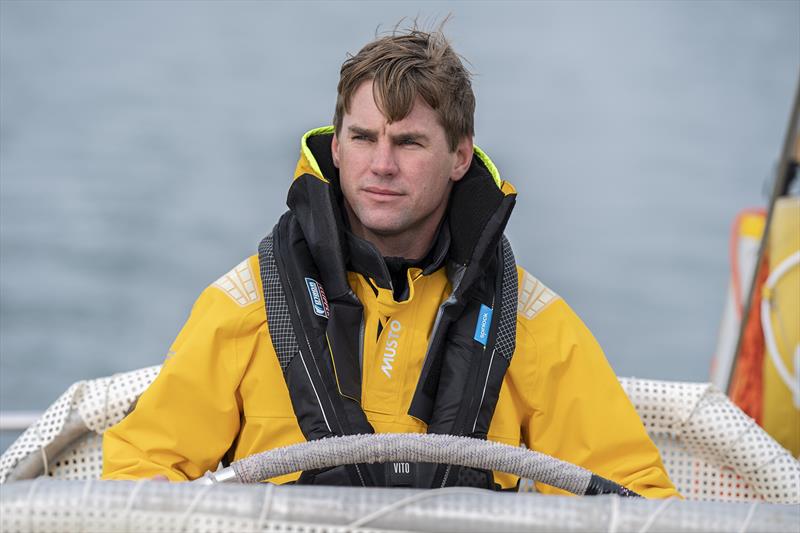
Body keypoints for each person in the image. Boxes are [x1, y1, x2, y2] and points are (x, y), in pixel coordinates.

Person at [102, 25, 678, 498]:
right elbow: (135, 476)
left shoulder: (530, 325)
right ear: (335, 147)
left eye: (408, 142)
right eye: (362, 137)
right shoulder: (245, 308)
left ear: (459, 155)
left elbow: (635, 499)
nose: (380, 164)